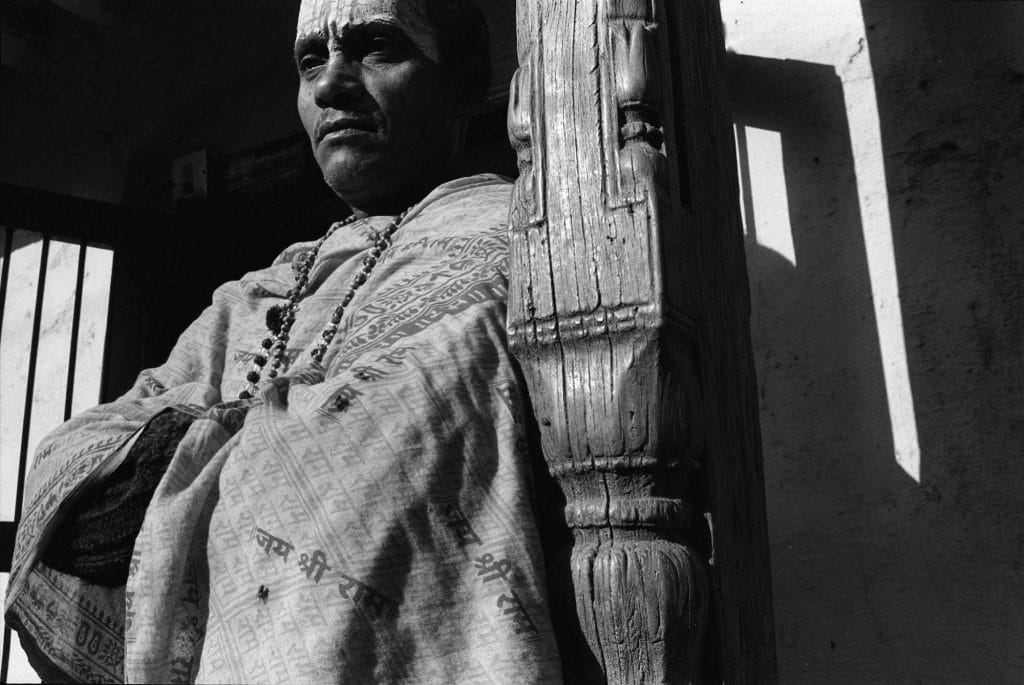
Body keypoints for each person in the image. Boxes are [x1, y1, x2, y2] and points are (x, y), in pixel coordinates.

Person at [4, 1, 564, 681]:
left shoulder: (509, 241)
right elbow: (69, 469)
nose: (330, 84)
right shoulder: (260, 291)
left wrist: (187, 458)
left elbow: (377, 466)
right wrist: (253, 451)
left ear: (465, 81)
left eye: (377, 47)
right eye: (310, 61)